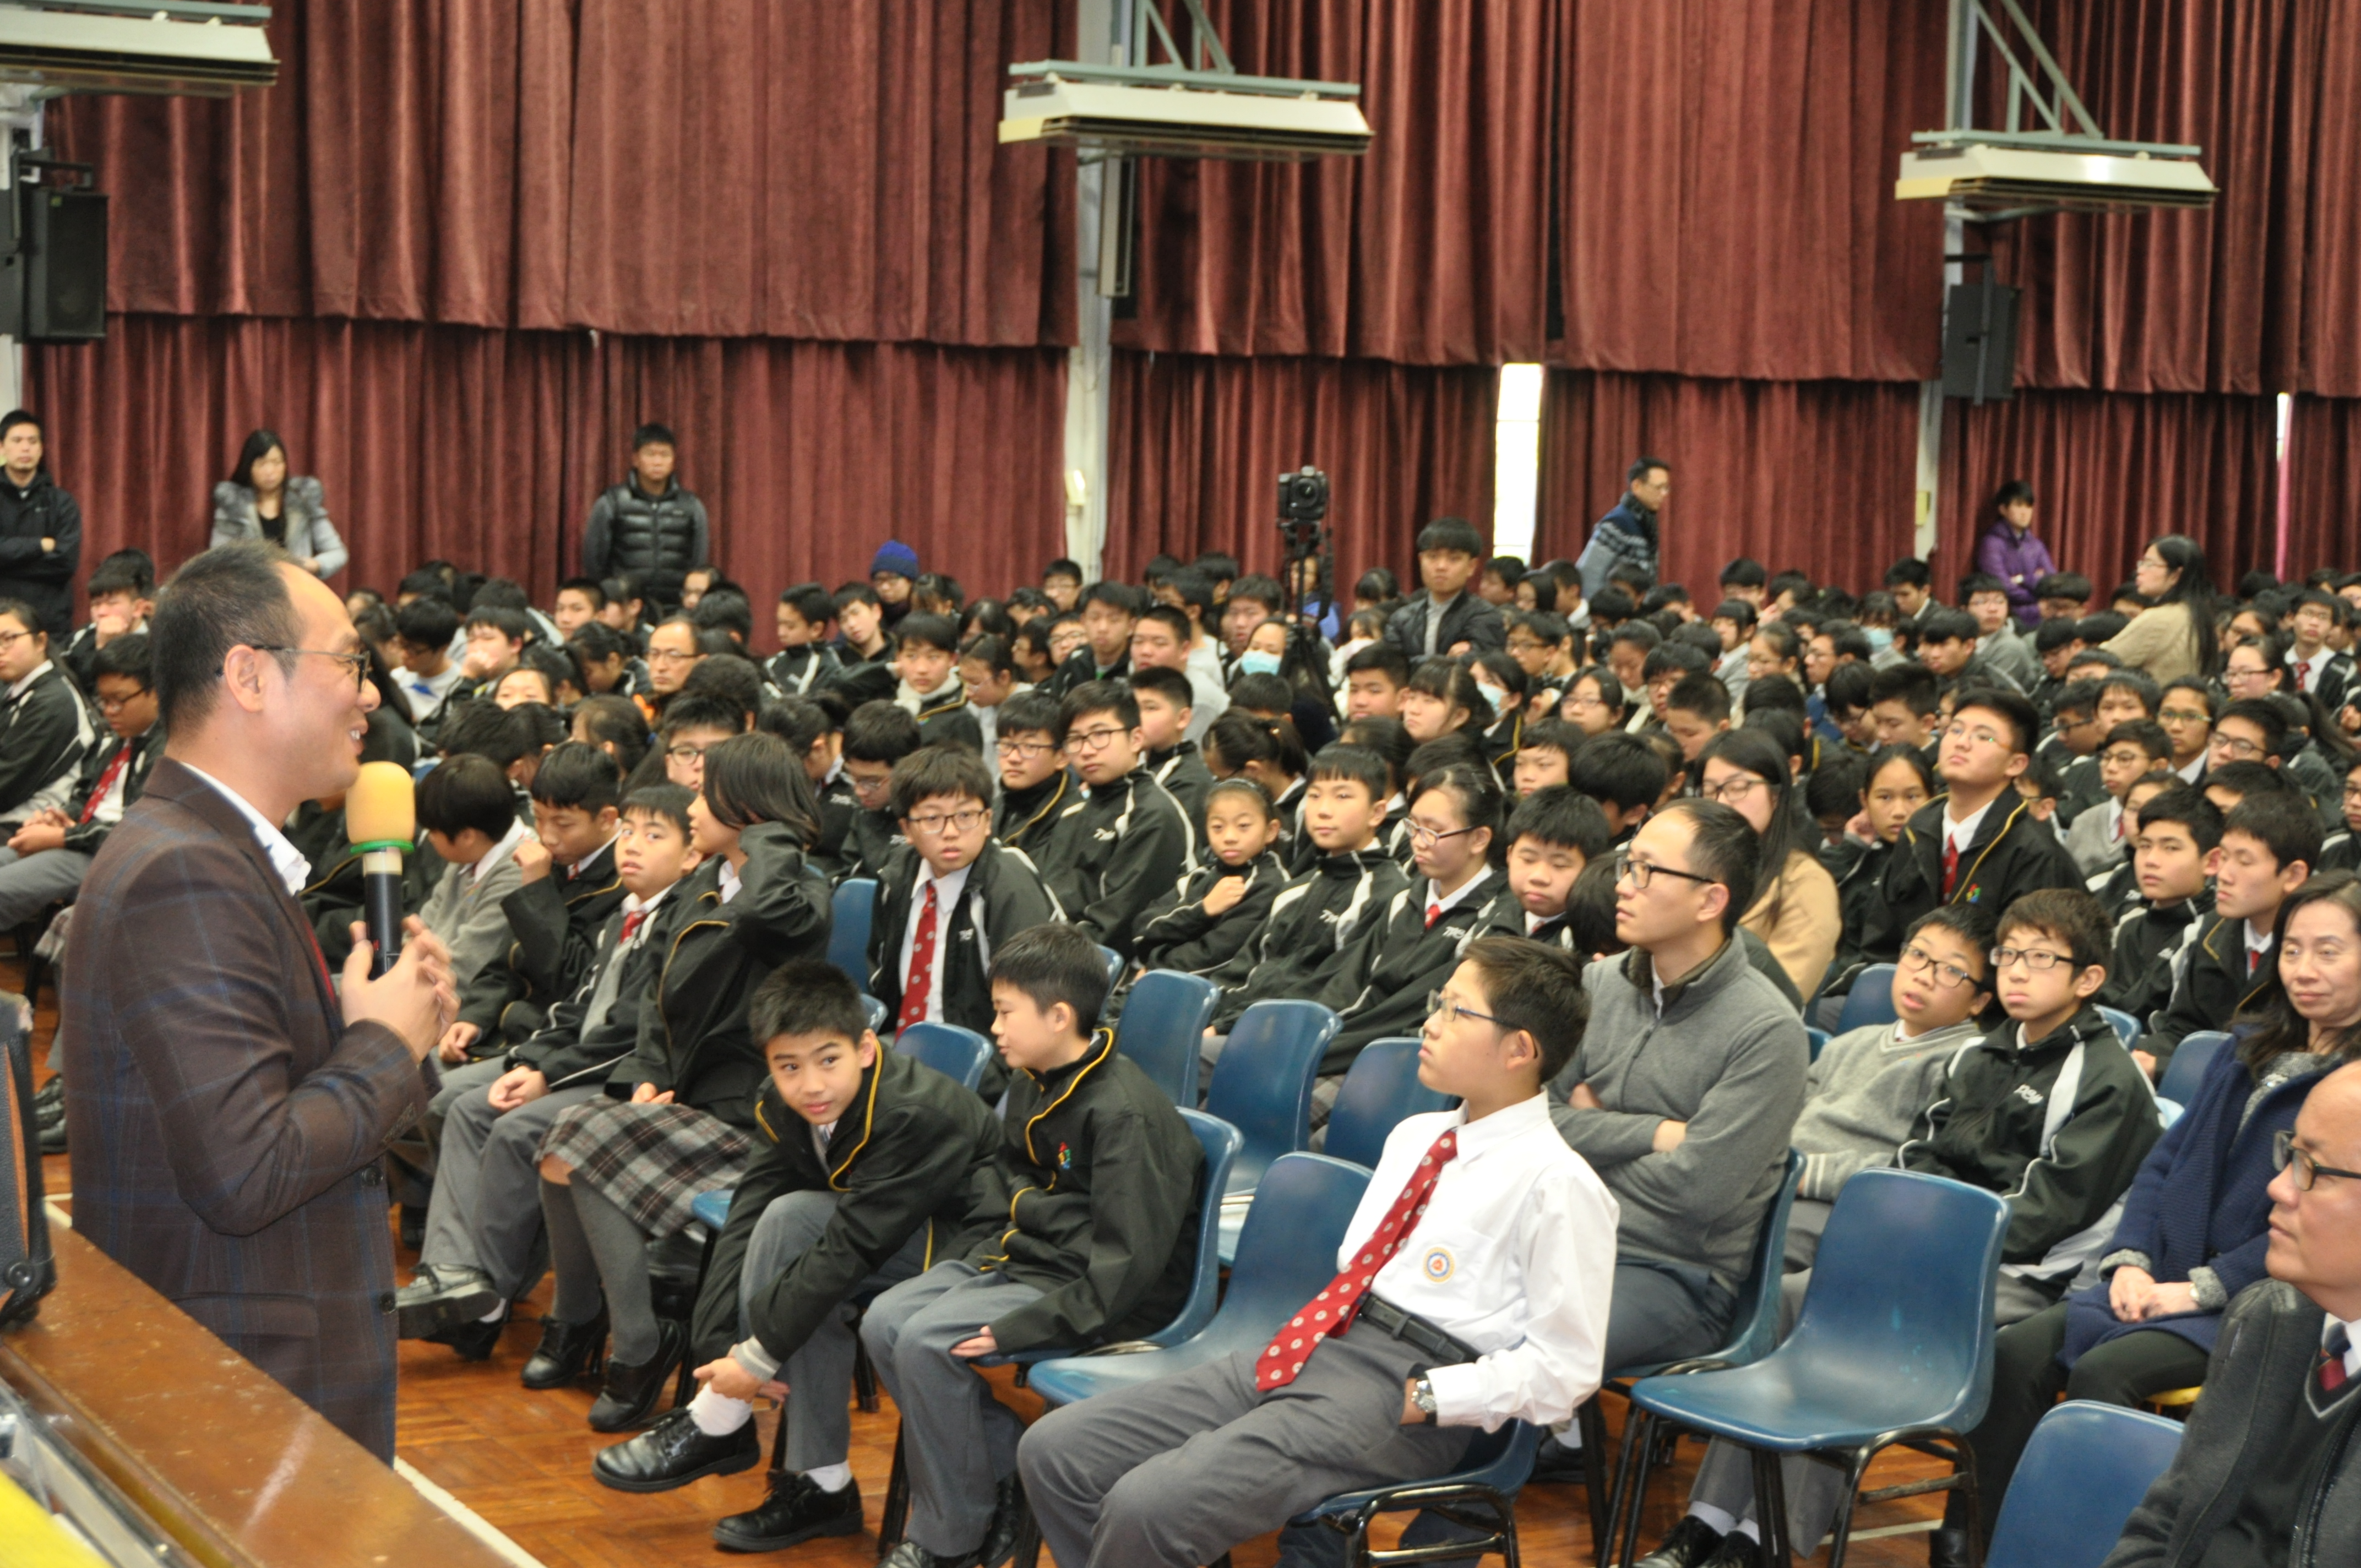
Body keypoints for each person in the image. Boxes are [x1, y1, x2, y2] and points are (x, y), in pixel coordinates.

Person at [1019, 936, 1617, 1568]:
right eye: (1438, 1003)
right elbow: (1356, 1267)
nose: (1431, 1024)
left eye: (1456, 1011)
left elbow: (1566, 1370)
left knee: (1148, 1505)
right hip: (1317, 1342)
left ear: (1519, 1049)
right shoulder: (1417, 1135)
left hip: (1412, 1386)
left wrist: (1429, 1397)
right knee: (1056, 1450)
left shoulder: (1558, 1184)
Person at [60, 543, 458, 1460]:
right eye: (350, 663)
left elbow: (268, 1106)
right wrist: (383, 1047)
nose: (370, 694)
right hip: (238, 1391)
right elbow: (246, 1172)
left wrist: (391, 1026)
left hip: (253, 1368)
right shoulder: (185, 872)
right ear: (247, 675)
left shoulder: (207, 850)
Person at [1953, 873, 2361, 1561]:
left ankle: (2093, 1550)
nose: (2303, 969)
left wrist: (2202, 1289)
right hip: (2156, 1277)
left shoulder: (2351, 1092)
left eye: (2328, 951)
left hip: (2252, 1302)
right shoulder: (2245, 1046)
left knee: (2105, 1372)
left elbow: (2316, 1224)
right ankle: (1978, 1543)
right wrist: (2131, 1259)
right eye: (2292, 949)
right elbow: (2164, 1163)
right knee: (2017, 1351)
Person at [586, 960, 1006, 1551]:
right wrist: (719, 1347)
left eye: (828, 1060)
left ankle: (736, 1429)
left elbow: (854, 1243)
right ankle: (815, 1479)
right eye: (789, 1066)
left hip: (971, 1244)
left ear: (865, 1049)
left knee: (805, 1246)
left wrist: (757, 1358)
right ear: (769, 1065)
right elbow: (747, 1214)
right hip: (885, 1228)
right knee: (783, 1220)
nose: (810, 1085)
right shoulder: (780, 1105)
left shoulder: (913, 1113)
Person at [1638, 907, 1996, 1568]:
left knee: (1790, 1301)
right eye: (1918, 955)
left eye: (1951, 971)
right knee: (1673, 1233)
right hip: (1781, 1192)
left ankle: (1757, 1534)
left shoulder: (1965, 1060)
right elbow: (1779, 1119)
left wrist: (1800, 1174)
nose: (1923, 975)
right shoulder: (1852, 1042)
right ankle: (1709, 1518)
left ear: (1978, 999)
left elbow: (1915, 1166)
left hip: (1855, 1219)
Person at [860, 922, 1205, 1568]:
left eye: (1005, 1012)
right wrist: (976, 1256)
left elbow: (1126, 1269)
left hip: (1082, 1290)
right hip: (1026, 1257)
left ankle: (951, 1537)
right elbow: (1003, 1180)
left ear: (1059, 1016)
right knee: (884, 1321)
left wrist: (1023, 1326)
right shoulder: (1032, 1073)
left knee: (927, 1341)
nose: (994, 1027)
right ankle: (999, 1465)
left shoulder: (1124, 1113)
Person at [535, 733, 831, 1431]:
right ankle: (584, 1319)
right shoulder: (703, 885)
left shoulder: (798, 893)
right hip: (686, 1100)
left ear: (746, 808)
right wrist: (647, 1074)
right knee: (563, 1141)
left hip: (755, 1120)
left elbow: (769, 914)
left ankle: (636, 1344)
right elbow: (654, 1000)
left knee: (577, 1140)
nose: (692, 806)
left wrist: (770, 838)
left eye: (706, 794)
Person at [396, 783, 697, 1359]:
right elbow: (576, 1008)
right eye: (629, 832)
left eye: (652, 835)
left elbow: (633, 1033)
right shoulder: (629, 912)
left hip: (623, 1076)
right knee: (465, 1106)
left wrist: (546, 1075)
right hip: (566, 1055)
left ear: (692, 855)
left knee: (513, 1127)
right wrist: (531, 1059)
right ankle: (451, 1272)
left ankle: (486, 1301)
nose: (632, 845)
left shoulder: (678, 922)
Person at [1552, 799, 1809, 1370]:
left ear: (1710, 901)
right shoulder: (1598, 983)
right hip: (1562, 1231)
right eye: (1628, 864)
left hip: (1674, 1275)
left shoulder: (1768, 1031)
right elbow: (1531, 1121)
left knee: (1537, 1340)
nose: (1623, 885)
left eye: (1646, 870)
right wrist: (1654, 1133)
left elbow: (1696, 1192)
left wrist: (1582, 1137)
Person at [2092, 1060, 2361, 1566]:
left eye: (2313, 1168)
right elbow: (2166, 1520)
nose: (2277, 1187)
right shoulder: (2268, 1319)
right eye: (2291, 1154)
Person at [866, 743, 1060, 1096]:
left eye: (966, 815)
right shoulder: (897, 877)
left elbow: (1034, 1006)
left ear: (988, 820)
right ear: (906, 828)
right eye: (932, 819)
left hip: (988, 1060)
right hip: (904, 1045)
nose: (951, 832)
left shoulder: (1009, 887)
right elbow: (881, 973)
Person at [1314, 766, 1504, 1106]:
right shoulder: (1405, 899)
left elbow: (1419, 1011)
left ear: (1479, 839)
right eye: (1413, 826)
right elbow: (1351, 983)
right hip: (1351, 1047)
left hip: (1406, 1065)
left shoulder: (1494, 919)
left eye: (1433, 831)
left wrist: (1325, 1048)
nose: (1417, 841)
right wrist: (1311, 1036)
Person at [1205, 743, 1409, 1036]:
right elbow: (1246, 967)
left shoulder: (1386, 895)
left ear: (1377, 813)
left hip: (1287, 1035)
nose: (1323, 810)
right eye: (1314, 796)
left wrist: (1227, 1026)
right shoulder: (1298, 886)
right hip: (1238, 1021)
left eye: (1342, 796)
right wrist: (1204, 1011)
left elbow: (1327, 990)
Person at [445, 742, 628, 1053]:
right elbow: (507, 957)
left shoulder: (626, 881)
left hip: (551, 1039)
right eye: (539, 818)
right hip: (504, 1026)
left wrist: (537, 891)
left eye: (563, 824)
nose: (547, 836)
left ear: (607, 818)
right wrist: (475, 1016)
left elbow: (571, 977)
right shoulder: (556, 861)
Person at [2141, 792, 2322, 1076]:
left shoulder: (2316, 955)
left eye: (2244, 862)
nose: (2223, 874)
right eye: (2224, 857)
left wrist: (2164, 1069)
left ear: (2294, 875)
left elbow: (2290, 1057)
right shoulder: (2213, 931)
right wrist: (2142, 1061)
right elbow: (2183, 1027)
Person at [0, 633, 161, 929]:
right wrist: (59, 818)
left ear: (157, 692)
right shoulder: (118, 740)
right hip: (82, 838)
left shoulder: (167, 750)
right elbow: (85, 797)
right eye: (104, 701)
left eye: (119, 701)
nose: (109, 711)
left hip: (114, 856)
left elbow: (138, 832)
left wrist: (63, 837)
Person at [1033, 682, 1195, 961]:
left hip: (1123, 967)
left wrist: (1038, 957)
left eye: (1100, 735)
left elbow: (1117, 926)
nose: (1087, 750)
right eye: (1075, 739)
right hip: (1060, 952)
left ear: (1136, 739)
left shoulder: (1152, 815)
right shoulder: (1073, 813)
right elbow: (1046, 898)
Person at [1698, 729, 1841, 998]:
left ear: (1776, 795)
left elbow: (1783, 996)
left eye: (1737, 789)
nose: (1721, 803)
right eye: (1709, 791)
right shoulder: (1694, 869)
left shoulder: (1806, 883)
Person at [1133, 776, 1291, 979]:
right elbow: (1143, 929)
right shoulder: (1201, 875)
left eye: (1243, 826)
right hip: (1164, 975)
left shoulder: (1270, 885)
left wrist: (1155, 968)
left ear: (1271, 831)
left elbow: (1216, 956)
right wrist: (1204, 909)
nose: (1229, 837)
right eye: (1218, 827)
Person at [413, 754, 537, 999]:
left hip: (457, 1000)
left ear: (467, 836)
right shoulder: (470, 852)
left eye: (433, 831)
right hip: (424, 983)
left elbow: (465, 968)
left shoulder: (519, 870)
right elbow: (423, 926)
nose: (430, 839)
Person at [2099, 784, 2220, 1021]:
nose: (2151, 860)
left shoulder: (2213, 932)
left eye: (2170, 848)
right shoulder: (2128, 923)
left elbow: (2139, 1009)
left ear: (2211, 862)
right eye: (2145, 846)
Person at [581, 423, 709, 612]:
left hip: (676, 607)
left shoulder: (690, 505)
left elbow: (699, 560)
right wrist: (611, 598)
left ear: (674, 460)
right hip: (626, 608)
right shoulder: (613, 501)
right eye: (650, 454)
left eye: (665, 455)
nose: (658, 462)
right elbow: (594, 558)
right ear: (635, 459)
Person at [0, 596, 96, 829]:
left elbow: (7, 786)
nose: (1, 650)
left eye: (8, 639)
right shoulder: (15, 690)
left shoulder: (53, 701)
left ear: (41, 641)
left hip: (31, 825)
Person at [210, 428, 347, 578]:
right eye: (262, 464)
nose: (270, 471)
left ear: (285, 464)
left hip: (298, 586)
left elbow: (337, 552)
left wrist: (316, 564)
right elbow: (218, 558)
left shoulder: (303, 500)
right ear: (248, 467)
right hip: (251, 587)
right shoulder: (233, 505)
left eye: (277, 463)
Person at [0, 411, 81, 637]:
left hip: (50, 623)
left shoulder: (61, 503)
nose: (25, 448)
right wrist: (40, 545)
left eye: (32, 441)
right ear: (2, 447)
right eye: (17, 441)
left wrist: (7, 565)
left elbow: (66, 563)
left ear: (41, 449)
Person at [2103, 535, 2218, 685]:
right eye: (2142, 563)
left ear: (2176, 575)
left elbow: (2100, 662)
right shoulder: (2200, 615)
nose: (2140, 570)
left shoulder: (2160, 617)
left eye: (2149, 564)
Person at [1385, 518, 1506, 658]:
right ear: (1421, 561)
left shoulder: (1486, 616)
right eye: (1433, 557)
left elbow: (1479, 665)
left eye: (1454, 559)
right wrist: (1447, 660)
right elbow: (1389, 666)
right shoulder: (1401, 619)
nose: (1441, 566)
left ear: (1471, 567)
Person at [990, 689, 1072, 861]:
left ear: (1062, 757)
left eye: (1029, 747)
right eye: (1006, 745)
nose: (1013, 758)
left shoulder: (1071, 817)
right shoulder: (999, 803)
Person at [1577, 456, 1668, 598]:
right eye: (1658, 488)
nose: (1664, 494)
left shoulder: (1647, 523)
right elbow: (1589, 574)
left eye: (1666, 488)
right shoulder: (1617, 523)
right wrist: (1602, 609)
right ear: (1637, 486)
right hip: (1616, 608)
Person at [1974, 479, 2055, 628]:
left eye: (2029, 506)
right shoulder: (1992, 544)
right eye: (2018, 505)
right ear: (2003, 509)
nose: (2025, 512)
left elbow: (2052, 582)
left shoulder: (2036, 545)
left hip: (2041, 615)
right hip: (2009, 617)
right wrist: (2038, 594)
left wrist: (2021, 579)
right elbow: (2002, 587)